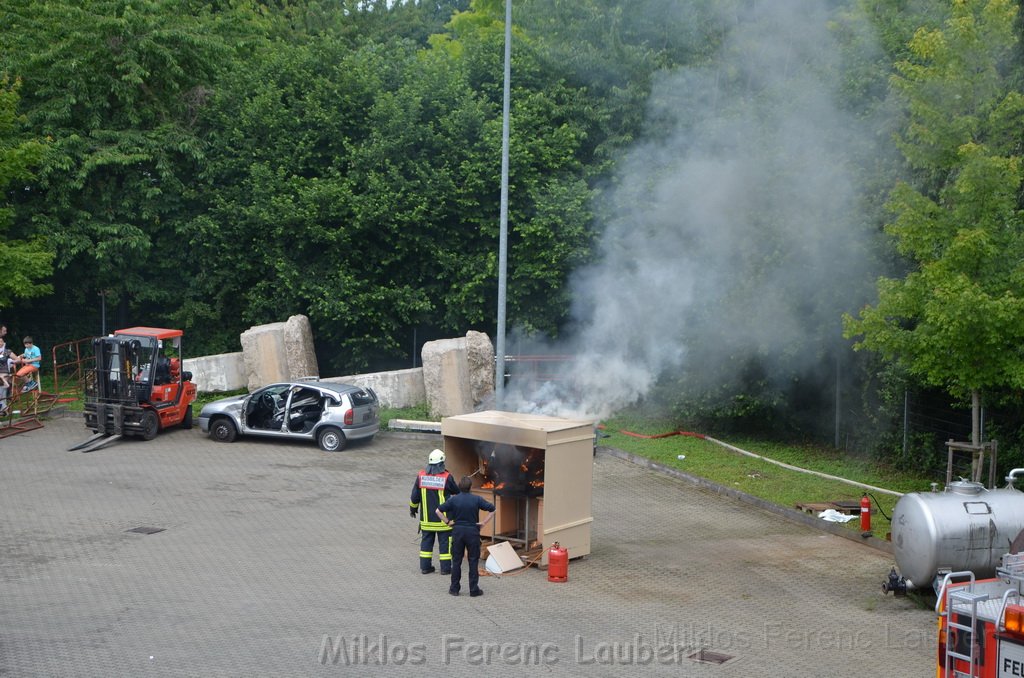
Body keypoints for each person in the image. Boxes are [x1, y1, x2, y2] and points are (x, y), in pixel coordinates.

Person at [435, 476, 495, 597]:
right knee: (473, 561)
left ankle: (454, 589)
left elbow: (438, 511)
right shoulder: (476, 499)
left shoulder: (454, 500)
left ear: (459, 487)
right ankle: (473, 590)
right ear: (470, 487)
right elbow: (492, 509)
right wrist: (483, 523)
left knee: (456, 561)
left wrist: (447, 522)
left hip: (457, 532)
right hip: (472, 532)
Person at [409, 449, 460, 575]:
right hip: (443, 521)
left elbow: (414, 497)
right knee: (445, 545)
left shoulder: (421, 476)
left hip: (426, 520)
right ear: (442, 463)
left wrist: (413, 509)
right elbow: (457, 492)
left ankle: (425, 568)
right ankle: (445, 569)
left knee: (426, 544)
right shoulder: (446, 477)